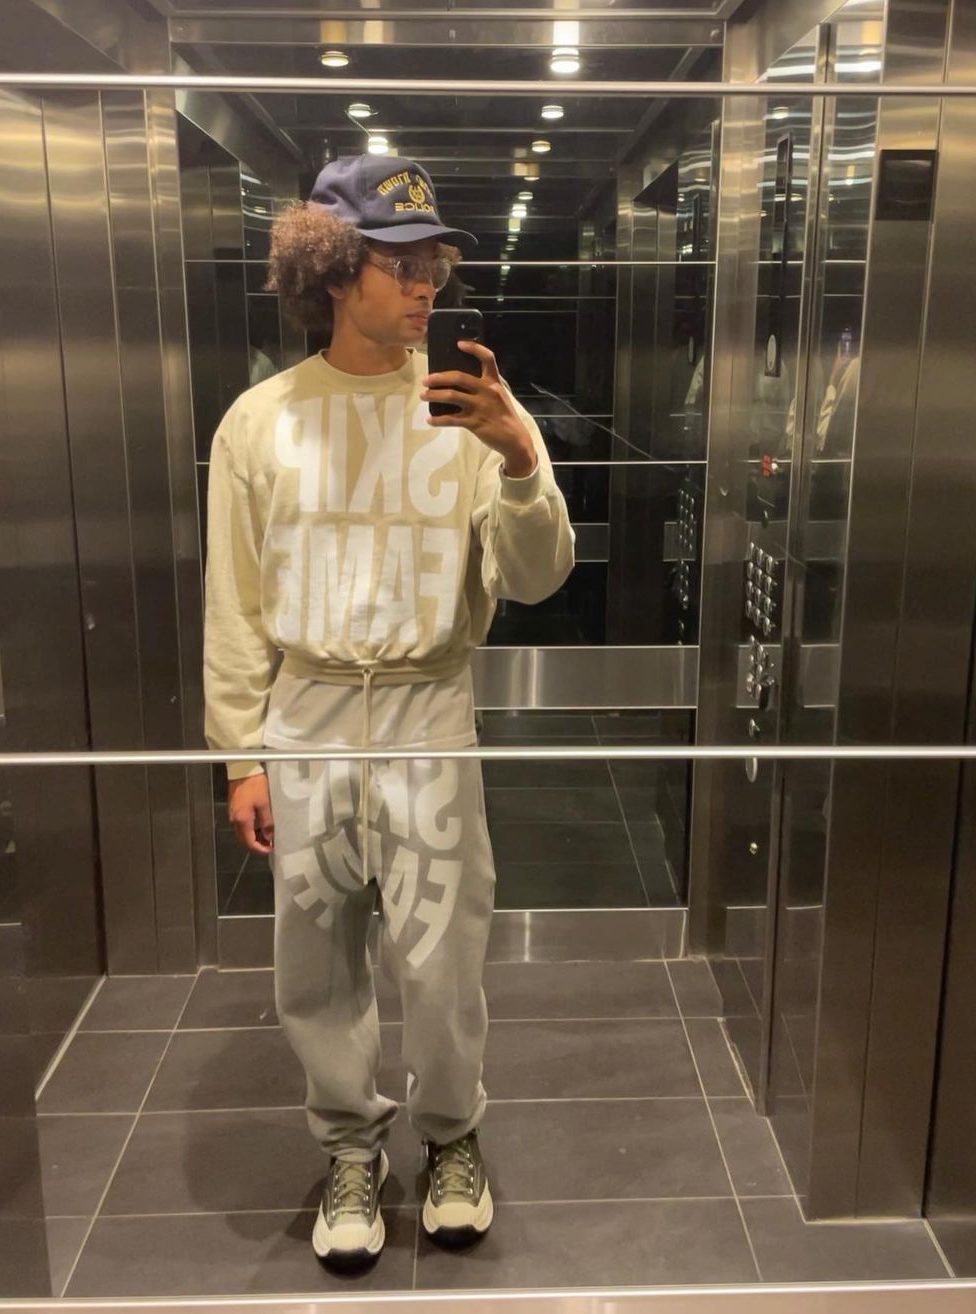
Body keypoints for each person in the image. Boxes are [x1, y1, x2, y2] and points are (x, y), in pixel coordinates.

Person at [203, 153, 575, 1270]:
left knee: (445, 954)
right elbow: (236, 601)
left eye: (436, 265)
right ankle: (350, 1150)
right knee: (314, 960)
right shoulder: (261, 422)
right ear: (331, 270)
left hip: (427, 711)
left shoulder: (472, 411)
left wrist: (519, 461)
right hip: (307, 715)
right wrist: (241, 756)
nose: (426, 287)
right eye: (400, 264)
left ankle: (452, 1137)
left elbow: (539, 577)